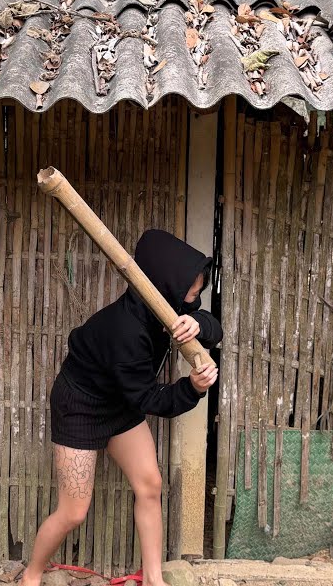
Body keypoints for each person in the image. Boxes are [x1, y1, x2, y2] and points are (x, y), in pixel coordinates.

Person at [20, 230, 221, 586]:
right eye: (191, 293)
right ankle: (32, 576)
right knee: (73, 511)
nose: (194, 299)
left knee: (150, 484)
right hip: (81, 405)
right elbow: (148, 400)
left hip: (120, 400)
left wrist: (199, 322)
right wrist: (193, 387)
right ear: (167, 287)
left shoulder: (165, 306)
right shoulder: (126, 330)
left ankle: (154, 580)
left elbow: (213, 329)